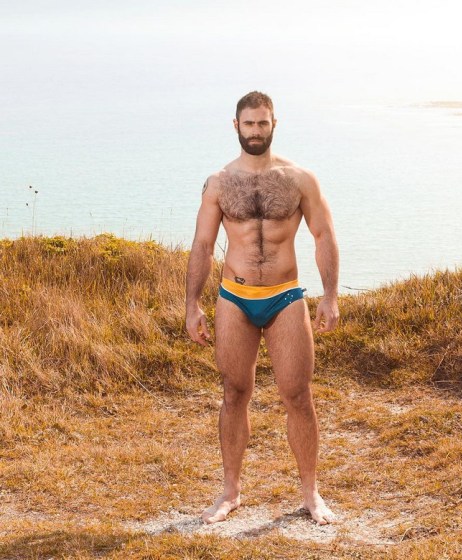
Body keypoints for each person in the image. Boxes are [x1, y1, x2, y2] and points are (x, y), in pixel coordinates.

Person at [185, 91, 339, 525]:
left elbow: (324, 235)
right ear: (236, 126)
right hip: (234, 297)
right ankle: (230, 492)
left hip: (285, 296)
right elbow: (202, 245)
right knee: (234, 393)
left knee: (298, 395)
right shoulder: (219, 183)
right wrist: (192, 304)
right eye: (249, 124)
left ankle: (311, 494)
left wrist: (330, 296)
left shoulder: (299, 179)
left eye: (263, 123)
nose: (256, 131)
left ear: (274, 124)